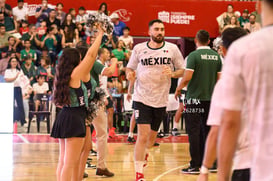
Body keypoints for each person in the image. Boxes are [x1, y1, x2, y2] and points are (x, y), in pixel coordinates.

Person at [217, 0, 273, 180]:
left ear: (257, 6)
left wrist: (221, 175)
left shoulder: (242, 49)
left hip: (258, 166)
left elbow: (229, 122)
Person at [126, 19, 184, 181]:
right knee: (142, 136)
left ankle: (145, 153)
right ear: (149, 32)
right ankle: (139, 174)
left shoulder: (172, 49)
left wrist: (172, 74)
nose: (160, 32)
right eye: (157, 29)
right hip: (141, 97)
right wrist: (129, 74)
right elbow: (129, 68)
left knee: (151, 140)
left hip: (160, 99)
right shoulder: (139, 48)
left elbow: (182, 70)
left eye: (162, 29)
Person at [50, 23, 104, 181]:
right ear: (75, 61)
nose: (83, 60)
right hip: (74, 117)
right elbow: (91, 56)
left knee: (64, 161)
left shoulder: (63, 74)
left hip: (66, 116)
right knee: (70, 163)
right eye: (79, 59)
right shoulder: (75, 74)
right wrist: (100, 35)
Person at [197, 27, 248, 181]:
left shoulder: (228, 82)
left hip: (248, 164)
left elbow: (219, 131)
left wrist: (205, 169)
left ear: (224, 51)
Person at [175, 30, 222, 174]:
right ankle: (211, 163)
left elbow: (188, 76)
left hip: (194, 99)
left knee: (193, 131)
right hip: (211, 99)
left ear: (196, 40)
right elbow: (219, 79)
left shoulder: (193, 56)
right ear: (209, 41)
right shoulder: (217, 57)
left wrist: (179, 88)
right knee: (208, 131)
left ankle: (195, 165)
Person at [4, 56, 25, 126]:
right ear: (10, 63)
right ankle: (11, 120)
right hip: (10, 89)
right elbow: (7, 79)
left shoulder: (19, 71)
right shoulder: (7, 71)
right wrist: (15, 77)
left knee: (20, 105)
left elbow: (23, 80)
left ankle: (22, 121)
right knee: (10, 105)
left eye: (15, 61)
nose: (14, 63)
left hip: (18, 88)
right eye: (13, 61)